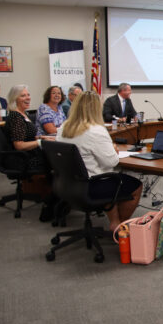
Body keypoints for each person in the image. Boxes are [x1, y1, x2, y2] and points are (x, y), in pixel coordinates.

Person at [57, 91, 143, 232]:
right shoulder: (96, 131)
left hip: (66, 185)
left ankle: (114, 221)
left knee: (109, 177)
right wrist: (114, 150)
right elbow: (112, 162)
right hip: (91, 186)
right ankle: (120, 227)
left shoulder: (63, 128)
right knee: (135, 185)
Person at [5, 85, 56, 221]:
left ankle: (56, 197)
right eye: (23, 95)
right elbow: (19, 145)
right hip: (22, 159)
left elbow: (27, 137)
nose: (27, 98)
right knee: (57, 163)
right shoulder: (16, 117)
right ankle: (53, 200)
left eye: (28, 95)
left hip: (30, 154)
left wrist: (42, 138)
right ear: (14, 99)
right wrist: (40, 143)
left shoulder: (24, 114)